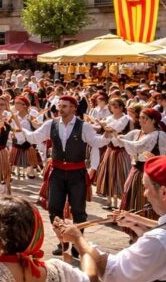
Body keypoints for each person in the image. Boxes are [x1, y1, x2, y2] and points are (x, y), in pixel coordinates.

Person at [15, 95, 105, 254]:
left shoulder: (83, 126)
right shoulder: (51, 124)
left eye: (64, 106)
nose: (60, 108)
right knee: (54, 208)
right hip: (56, 172)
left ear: (73, 108)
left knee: (78, 210)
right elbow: (35, 137)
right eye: (60, 105)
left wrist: (107, 137)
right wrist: (20, 128)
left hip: (77, 173)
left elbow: (96, 143)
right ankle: (62, 240)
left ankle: (78, 243)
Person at [111, 107, 166, 219]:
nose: (140, 120)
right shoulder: (137, 133)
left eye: (144, 118)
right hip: (135, 170)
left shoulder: (158, 135)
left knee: (144, 200)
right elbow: (120, 141)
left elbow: (137, 147)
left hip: (151, 174)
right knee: (130, 197)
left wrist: (120, 139)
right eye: (140, 117)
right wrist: (114, 134)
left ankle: (145, 227)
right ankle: (132, 230)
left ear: (153, 121)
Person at [94, 98, 133, 210]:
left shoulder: (126, 119)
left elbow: (119, 129)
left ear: (121, 107)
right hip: (110, 149)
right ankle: (109, 200)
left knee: (120, 174)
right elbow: (105, 132)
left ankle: (119, 201)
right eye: (111, 106)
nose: (113, 108)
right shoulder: (109, 118)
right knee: (109, 173)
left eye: (116, 106)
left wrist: (104, 125)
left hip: (121, 149)